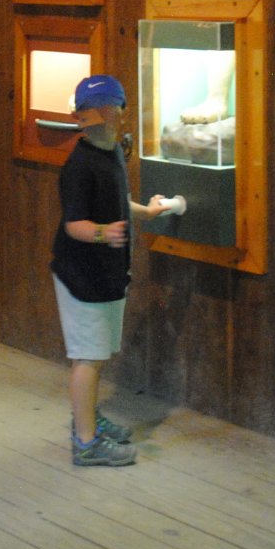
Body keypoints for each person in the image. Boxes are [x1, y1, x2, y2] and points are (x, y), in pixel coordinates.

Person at [51, 74, 174, 467]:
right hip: (81, 278)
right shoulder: (79, 166)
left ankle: (88, 420)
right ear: (110, 112)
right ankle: (86, 442)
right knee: (87, 358)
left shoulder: (112, 153)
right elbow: (74, 225)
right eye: (115, 108)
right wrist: (105, 232)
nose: (119, 114)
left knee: (96, 356)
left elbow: (119, 201)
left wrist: (147, 211)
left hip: (104, 277)